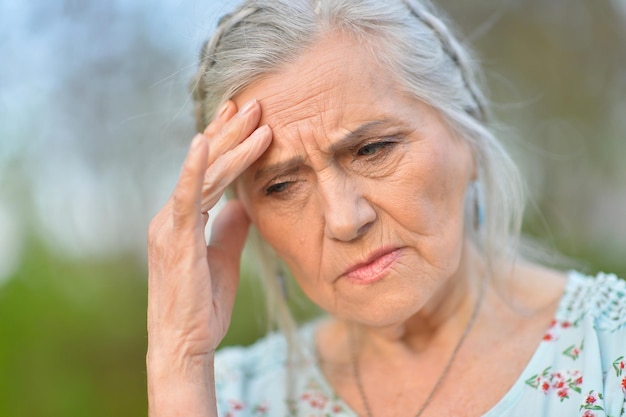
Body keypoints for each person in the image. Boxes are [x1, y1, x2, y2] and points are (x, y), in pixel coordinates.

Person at [146, 0, 626, 416]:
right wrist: (180, 361)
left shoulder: (609, 354)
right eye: (282, 185)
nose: (344, 220)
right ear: (244, 214)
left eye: (372, 150)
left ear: (467, 138)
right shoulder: (229, 397)